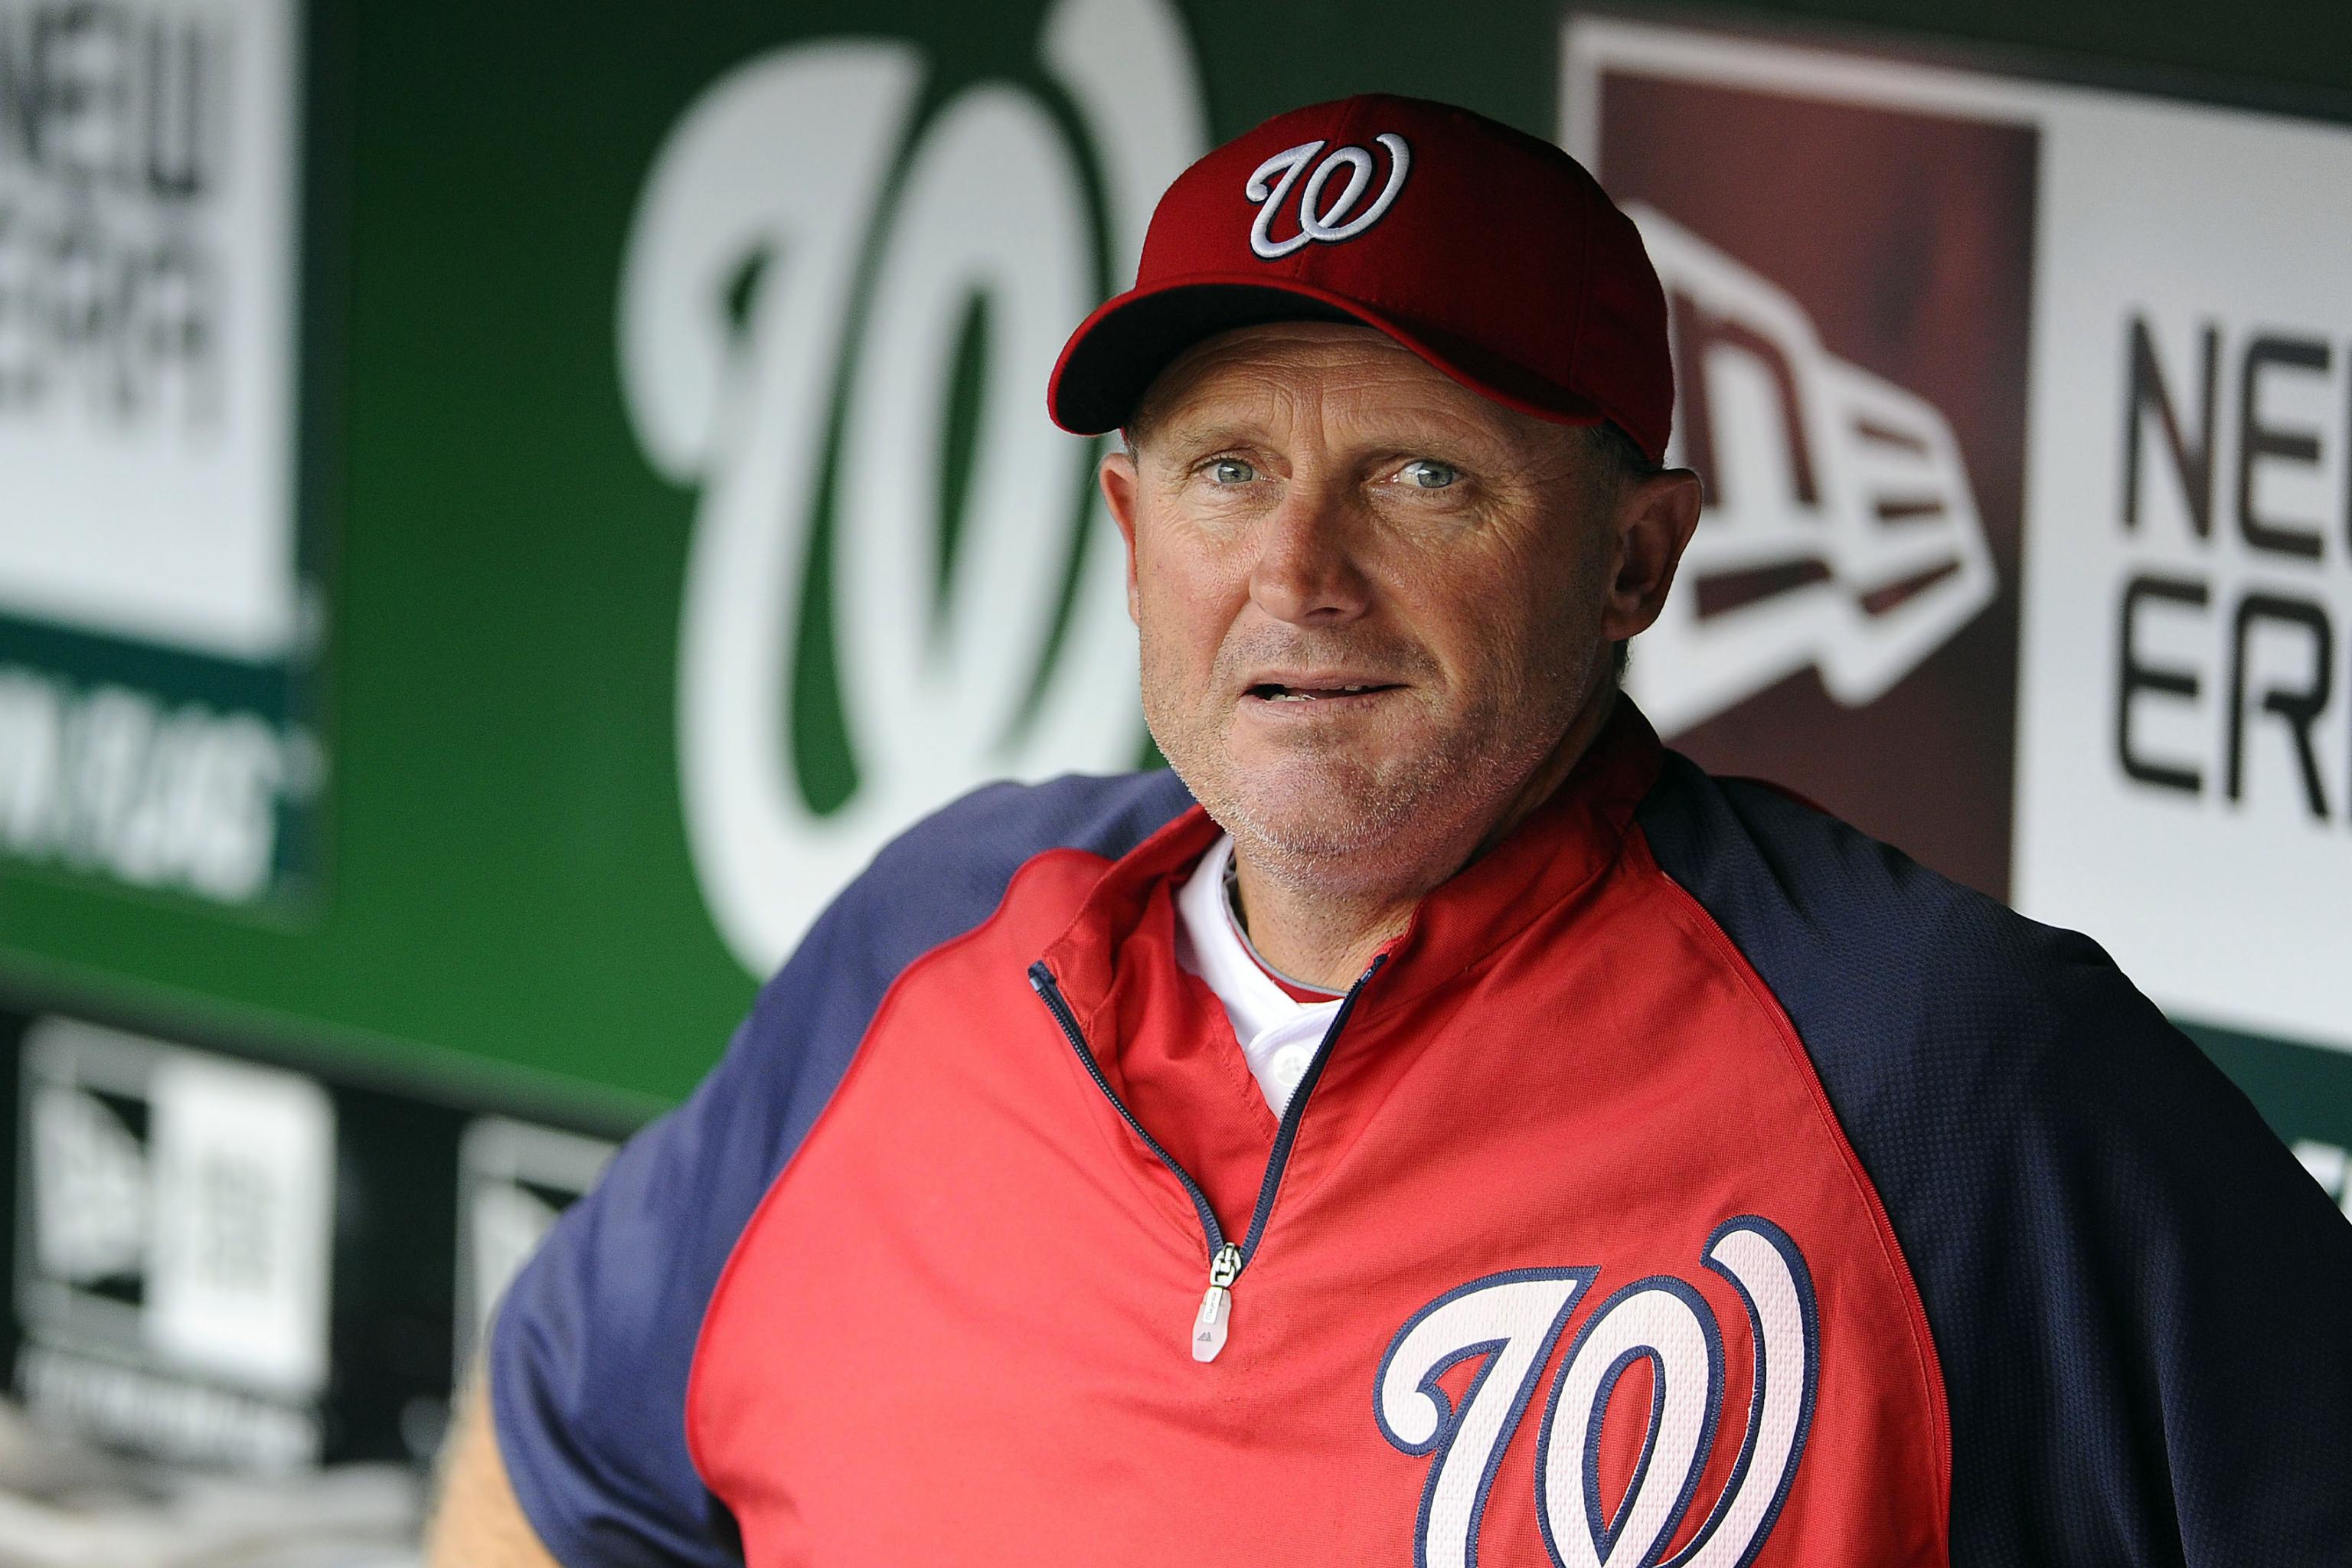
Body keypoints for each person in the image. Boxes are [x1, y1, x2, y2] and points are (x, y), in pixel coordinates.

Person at [428, 95, 2352, 1566]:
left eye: (1422, 475)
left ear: (1635, 557)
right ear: (1125, 539)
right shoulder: (928, 948)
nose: (1297, 574)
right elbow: (548, 1451)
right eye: (1226, 470)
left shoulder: (1941, 1078)